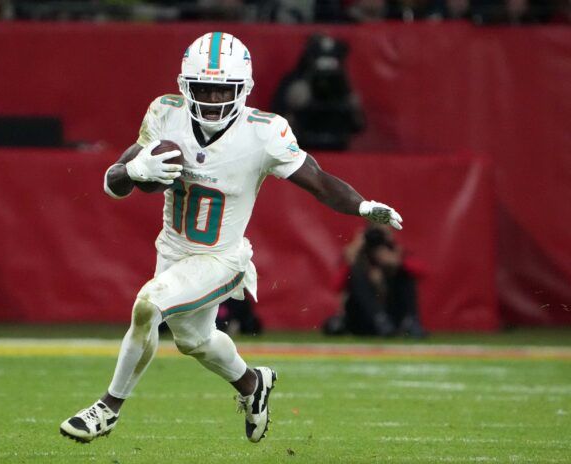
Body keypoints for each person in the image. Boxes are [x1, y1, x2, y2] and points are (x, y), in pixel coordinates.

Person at [59, 32, 402, 444]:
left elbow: (318, 181)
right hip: (172, 251)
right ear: (186, 86)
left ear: (243, 89)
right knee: (196, 341)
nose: (212, 97)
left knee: (148, 305)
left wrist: (363, 207)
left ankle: (108, 408)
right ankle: (252, 384)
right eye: (202, 87)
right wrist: (133, 173)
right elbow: (112, 183)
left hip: (222, 257)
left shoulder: (264, 132)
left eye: (223, 88)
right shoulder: (166, 114)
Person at [324, 224, 426, 338]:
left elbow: (422, 272)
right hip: (363, 317)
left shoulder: (396, 252)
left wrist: (398, 263)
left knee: (404, 273)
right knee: (357, 274)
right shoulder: (357, 259)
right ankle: (380, 319)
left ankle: (410, 322)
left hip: (392, 316)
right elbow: (336, 286)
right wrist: (353, 258)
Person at [271, 33, 365, 151]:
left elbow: (357, 127)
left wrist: (354, 108)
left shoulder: (342, 83)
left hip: (338, 148)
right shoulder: (295, 81)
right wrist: (291, 107)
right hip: (303, 149)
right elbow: (276, 125)